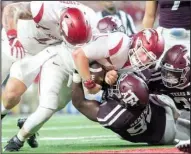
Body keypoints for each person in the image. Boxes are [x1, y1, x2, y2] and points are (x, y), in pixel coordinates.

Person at [2, 1, 98, 151]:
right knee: (11, 96)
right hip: (20, 45)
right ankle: (3, 113)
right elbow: (10, 10)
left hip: (50, 53)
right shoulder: (46, 8)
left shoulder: (91, 18)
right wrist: (12, 37)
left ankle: (29, 125)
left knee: (55, 104)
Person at [71, 66, 190, 145]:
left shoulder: (113, 115)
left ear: (121, 99)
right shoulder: (134, 99)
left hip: (161, 131)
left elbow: (79, 103)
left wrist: (77, 74)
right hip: (157, 123)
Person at [72, 28, 164, 95]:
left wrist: (107, 78)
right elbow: (78, 54)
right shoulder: (119, 43)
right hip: (71, 56)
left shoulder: (133, 63)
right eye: (143, 52)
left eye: (149, 58)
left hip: (83, 67)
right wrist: (89, 84)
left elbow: (107, 70)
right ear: (137, 42)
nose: (143, 59)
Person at [142, 1, 190, 68]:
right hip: (164, 37)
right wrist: (145, 40)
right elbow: (149, 16)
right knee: (157, 72)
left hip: (188, 36)